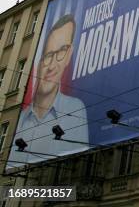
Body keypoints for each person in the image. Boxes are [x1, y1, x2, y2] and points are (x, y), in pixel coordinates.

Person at [10, 14, 89, 165]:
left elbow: (80, 160)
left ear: (68, 55)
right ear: (38, 63)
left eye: (61, 52)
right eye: (47, 55)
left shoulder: (76, 109)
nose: (52, 66)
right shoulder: (19, 120)